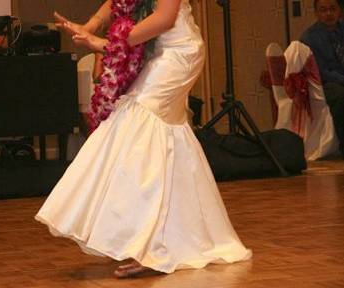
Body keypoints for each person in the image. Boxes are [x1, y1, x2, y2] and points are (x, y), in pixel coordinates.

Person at [35, 0, 252, 278]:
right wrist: (89, 26)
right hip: (159, 51)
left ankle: (151, 243)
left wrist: (106, 44)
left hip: (178, 53)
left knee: (140, 126)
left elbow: (164, 18)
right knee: (153, 134)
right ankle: (166, 234)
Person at [300, 0, 344, 157]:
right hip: (323, 85)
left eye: (333, 9)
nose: (328, 14)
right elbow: (321, 71)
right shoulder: (309, 37)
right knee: (339, 94)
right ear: (316, 13)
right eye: (323, 10)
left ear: (340, 10)